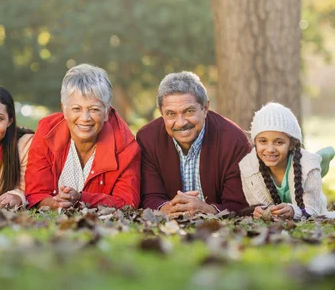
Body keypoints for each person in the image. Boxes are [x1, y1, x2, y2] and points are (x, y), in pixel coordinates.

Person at [25, 64, 140, 209]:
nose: (85, 118)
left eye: (94, 109)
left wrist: (81, 198)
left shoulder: (126, 146)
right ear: (64, 109)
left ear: (106, 112)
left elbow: (127, 202)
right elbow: (35, 192)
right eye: (76, 109)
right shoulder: (47, 131)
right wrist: (56, 203)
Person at [136, 72, 250, 217]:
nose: (181, 122)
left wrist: (208, 209)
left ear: (205, 108)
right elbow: (149, 196)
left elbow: (238, 203)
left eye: (189, 111)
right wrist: (168, 208)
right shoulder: (147, 139)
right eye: (171, 114)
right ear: (161, 113)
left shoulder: (234, 140)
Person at [239, 102, 332, 219]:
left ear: (292, 144)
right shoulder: (248, 167)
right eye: (263, 141)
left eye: (279, 142)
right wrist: (257, 211)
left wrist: (294, 211)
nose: (270, 149)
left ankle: (324, 157)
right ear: (255, 142)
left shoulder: (309, 166)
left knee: (313, 168)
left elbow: (313, 210)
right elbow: (256, 205)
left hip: (311, 193)